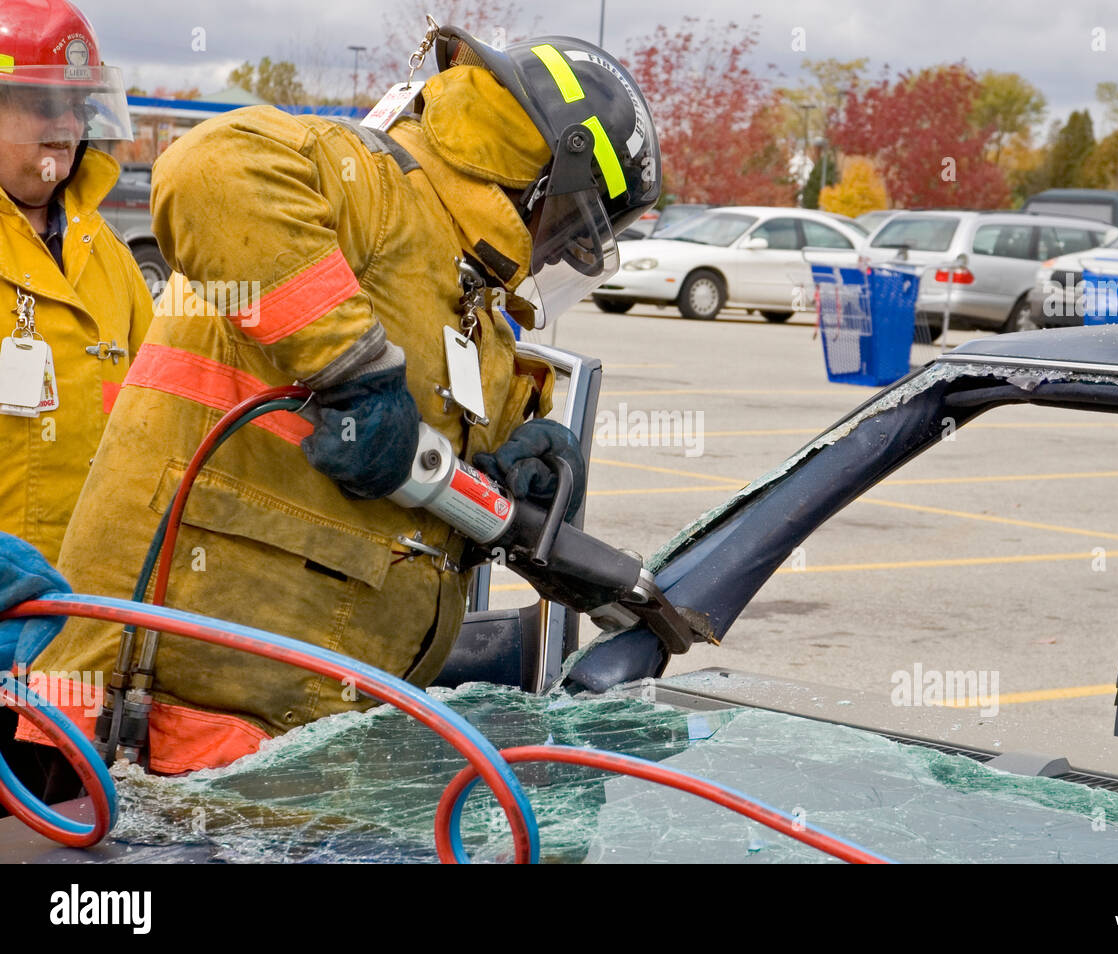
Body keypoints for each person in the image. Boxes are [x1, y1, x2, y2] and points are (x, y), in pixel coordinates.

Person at [17, 23, 660, 776]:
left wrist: (527, 467)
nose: (552, 251)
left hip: (304, 743)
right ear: (545, 176)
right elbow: (208, 170)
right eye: (571, 225)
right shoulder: (375, 186)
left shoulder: (470, 291)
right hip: (148, 728)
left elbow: (429, 462)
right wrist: (352, 370)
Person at [0, 0, 152, 563]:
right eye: (45, 103)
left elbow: (160, 411)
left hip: (96, 600)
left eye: (78, 105)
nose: (67, 126)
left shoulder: (110, 257)